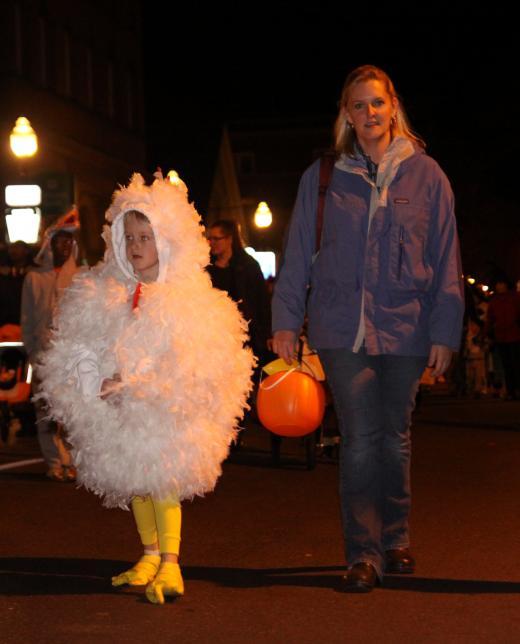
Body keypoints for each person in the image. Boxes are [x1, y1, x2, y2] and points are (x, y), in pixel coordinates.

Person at [271, 65, 464, 592]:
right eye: (358, 105)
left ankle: (397, 536)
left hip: (407, 327)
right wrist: (286, 320)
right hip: (340, 330)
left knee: (395, 438)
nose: (369, 113)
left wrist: (446, 331)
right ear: (347, 116)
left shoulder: (429, 176)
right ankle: (364, 553)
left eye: (377, 102)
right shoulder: (324, 176)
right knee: (359, 440)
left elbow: (446, 259)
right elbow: (297, 254)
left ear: (393, 106)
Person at [38, 172, 254, 604]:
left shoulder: (186, 296)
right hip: (115, 410)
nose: (136, 246)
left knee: (162, 478)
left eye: (145, 236)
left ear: (167, 239)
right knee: (134, 479)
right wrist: (94, 381)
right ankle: (149, 555)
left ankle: (171, 563)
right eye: (129, 236)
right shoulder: (104, 289)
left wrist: (138, 386)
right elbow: (77, 343)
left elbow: (195, 358)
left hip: (163, 410)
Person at [21, 214, 79, 481]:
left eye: (70, 242)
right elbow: (27, 319)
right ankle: (54, 462)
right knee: (45, 411)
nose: (65, 247)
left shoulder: (80, 277)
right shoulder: (34, 278)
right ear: (51, 245)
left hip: (71, 357)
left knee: (70, 411)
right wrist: (32, 353)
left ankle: (72, 461)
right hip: (43, 355)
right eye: (60, 242)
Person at [206, 219, 271, 366]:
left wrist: (266, 333)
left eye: (216, 238)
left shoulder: (248, 266)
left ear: (229, 239)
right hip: (216, 334)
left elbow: (262, 302)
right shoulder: (207, 267)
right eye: (209, 238)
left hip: (245, 335)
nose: (211, 242)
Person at [484, 279, 520, 400]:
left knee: (516, 364)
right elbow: (490, 319)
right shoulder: (494, 301)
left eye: (501, 283)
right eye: (498, 283)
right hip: (501, 337)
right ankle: (511, 391)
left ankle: (516, 389)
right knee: (506, 365)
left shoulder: (515, 298)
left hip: (515, 335)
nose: (499, 286)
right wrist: (486, 333)